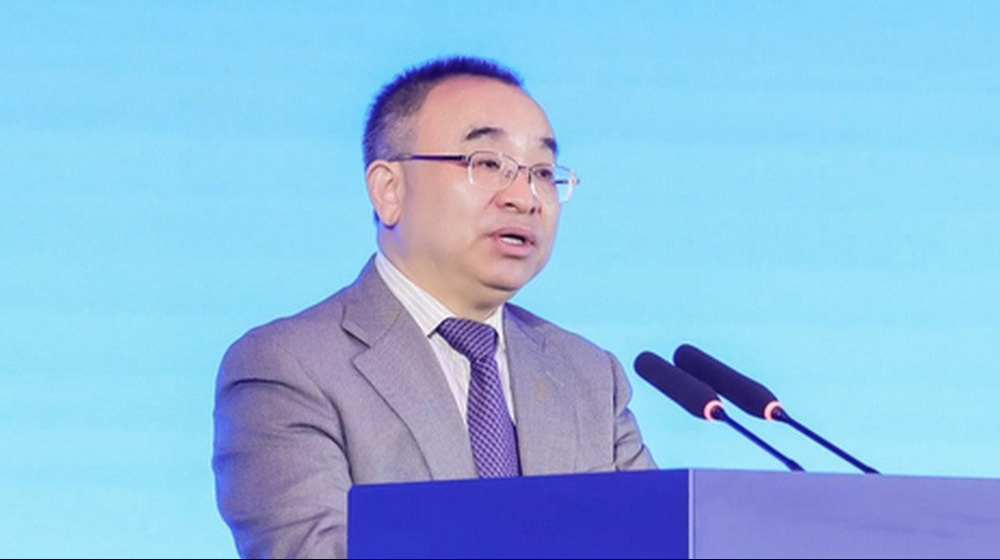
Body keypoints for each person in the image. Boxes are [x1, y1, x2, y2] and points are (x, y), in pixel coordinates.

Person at [212, 54, 658, 559]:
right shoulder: (289, 368)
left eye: (542, 172)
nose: (525, 197)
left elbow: (656, 539)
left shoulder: (588, 376)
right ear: (389, 190)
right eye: (487, 164)